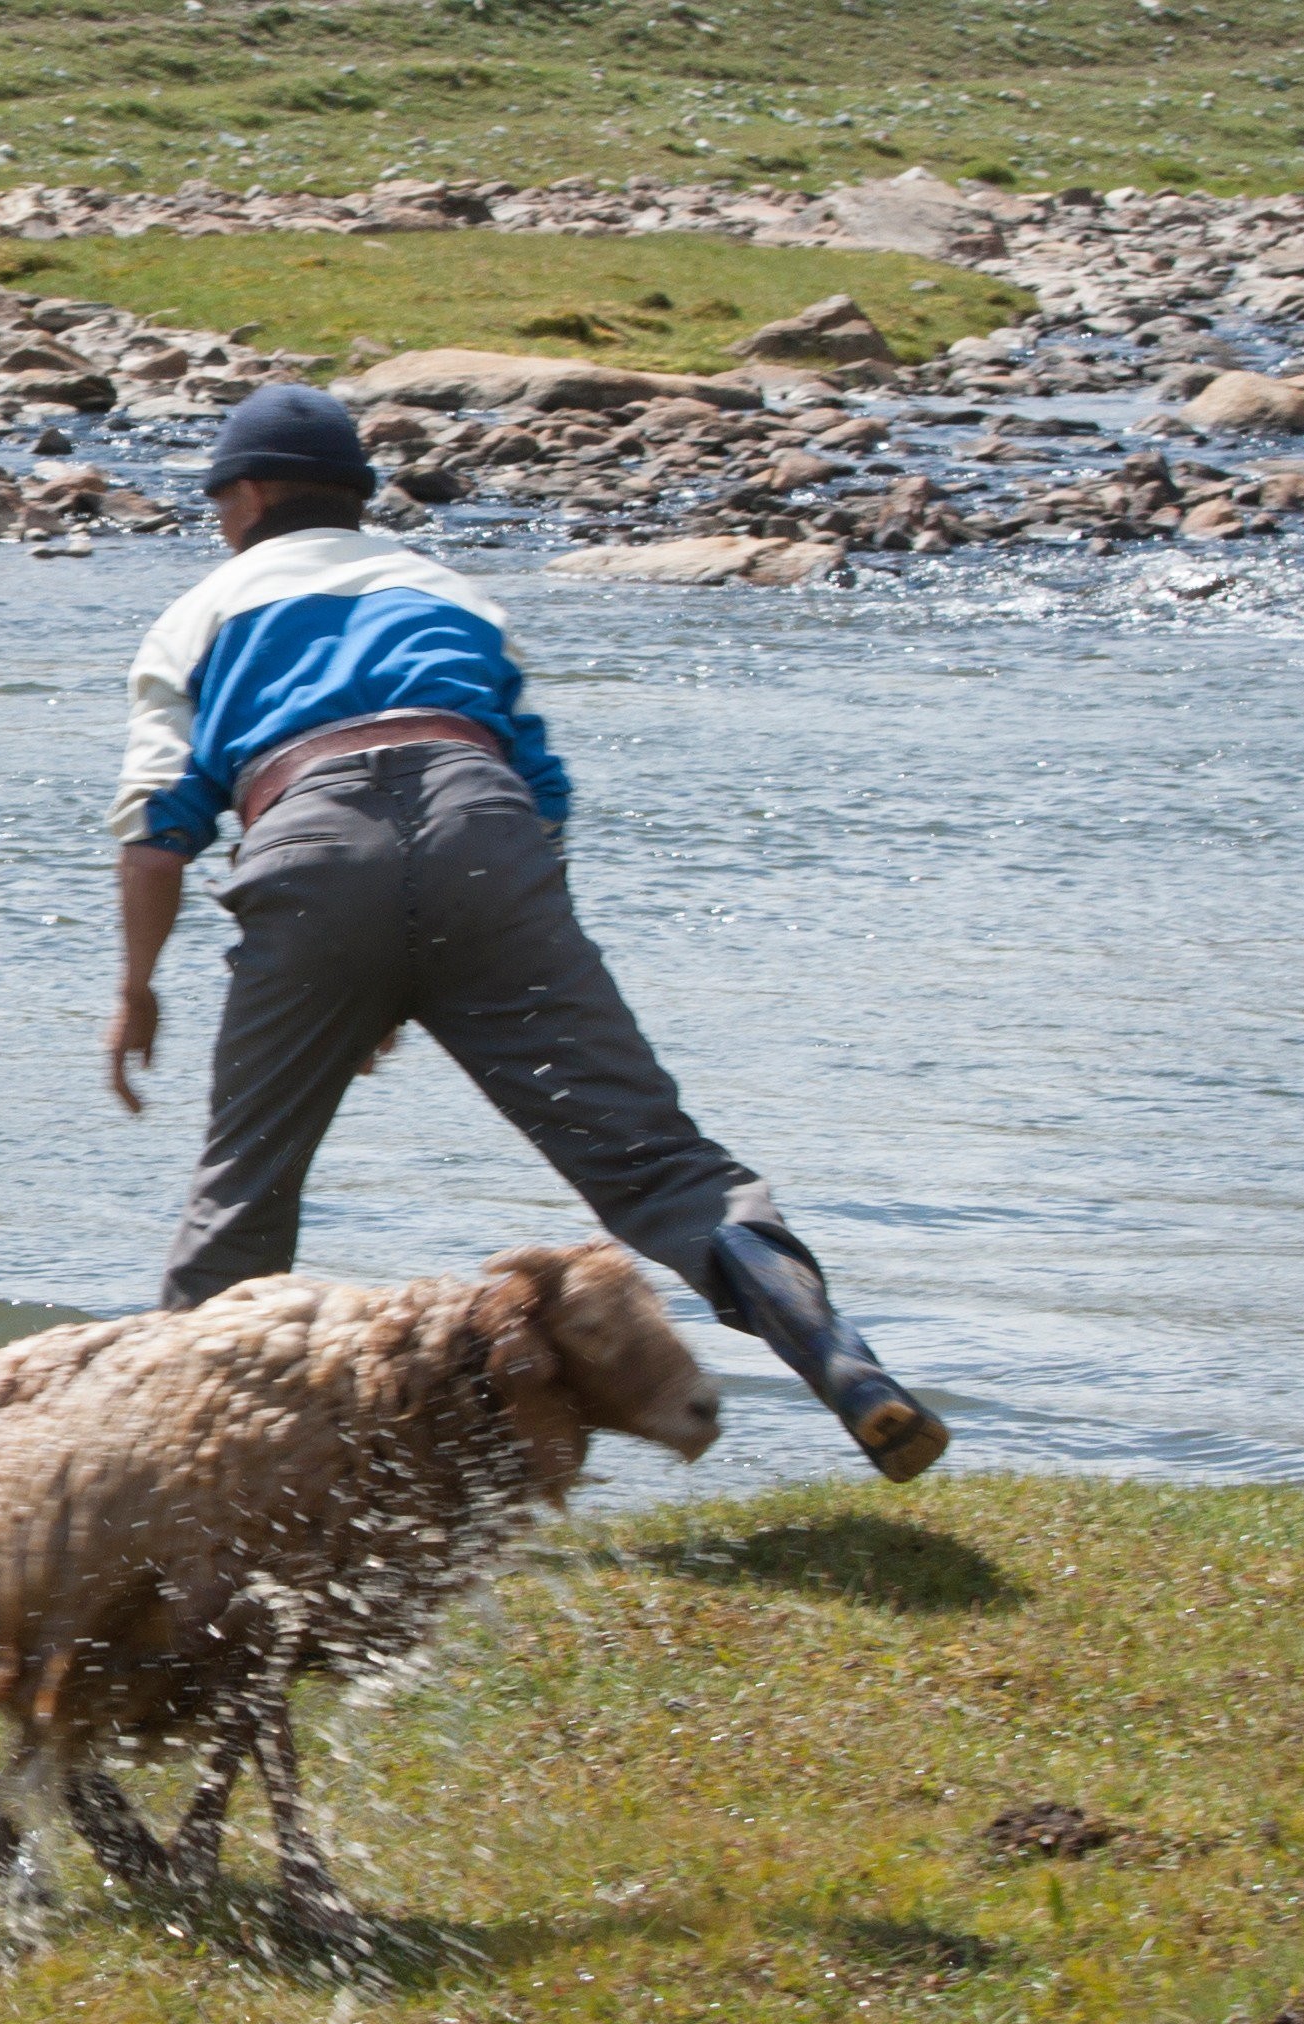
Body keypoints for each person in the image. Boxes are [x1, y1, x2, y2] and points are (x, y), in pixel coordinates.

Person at [102, 385, 947, 1482]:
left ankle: (163, 1480)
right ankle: (844, 1364)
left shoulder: (198, 612)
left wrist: (138, 984)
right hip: (486, 837)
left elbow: (157, 828)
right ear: (353, 496)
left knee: (243, 1194)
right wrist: (451, 948)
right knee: (659, 1164)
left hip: (309, 850)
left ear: (248, 493)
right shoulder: (448, 591)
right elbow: (539, 790)